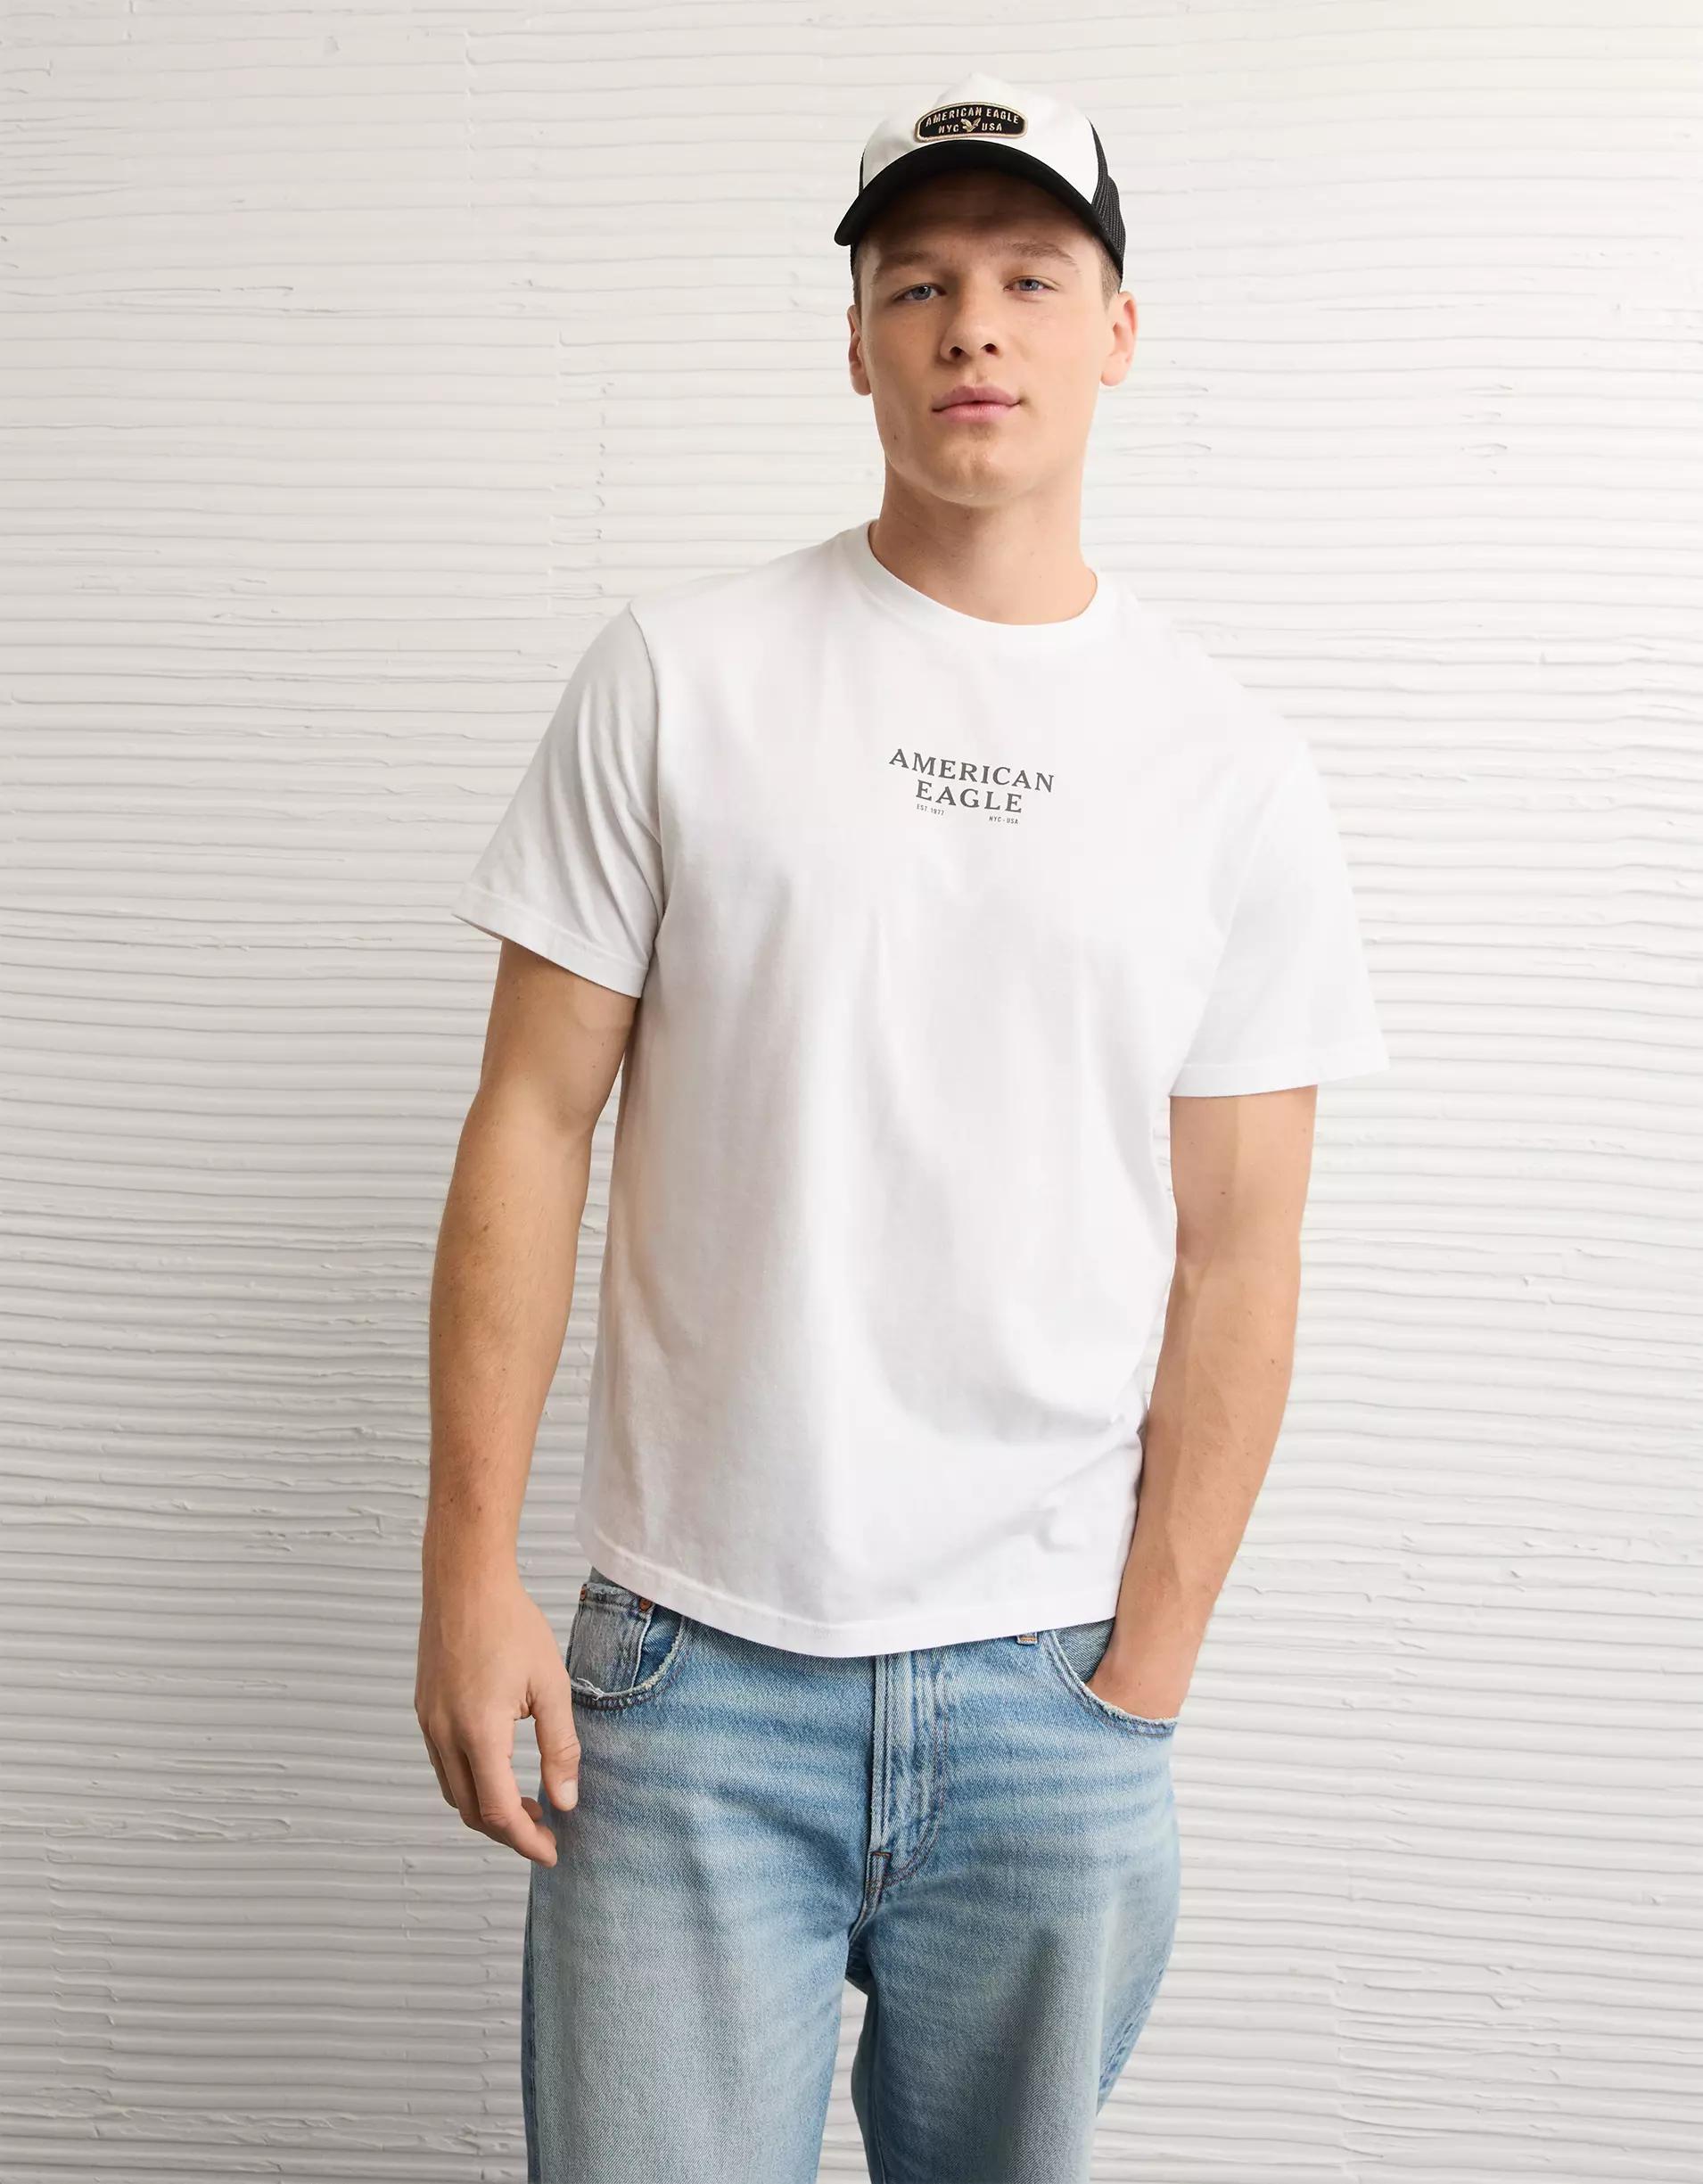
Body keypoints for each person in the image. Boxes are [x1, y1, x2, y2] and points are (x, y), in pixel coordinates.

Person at [417, 67, 1390, 2184]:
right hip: (687, 1673)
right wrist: (467, 1571)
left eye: (1029, 278)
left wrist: (1145, 1671)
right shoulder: (678, 676)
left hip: (1052, 1685)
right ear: (854, 339)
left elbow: (1242, 1247)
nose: (974, 329)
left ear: (1115, 330)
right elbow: (529, 1120)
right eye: (919, 282)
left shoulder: (1228, 769)